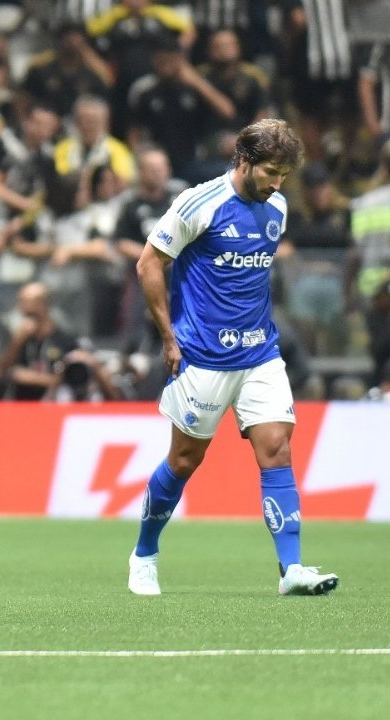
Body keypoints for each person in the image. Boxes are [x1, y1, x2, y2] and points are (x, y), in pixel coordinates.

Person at [127, 119, 339, 597]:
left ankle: (291, 569)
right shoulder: (199, 203)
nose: (278, 183)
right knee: (184, 461)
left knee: (277, 449)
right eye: (270, 171)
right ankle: (144, 554)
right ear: (244, 161)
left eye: (284, 174)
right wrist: (168, 336)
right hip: (202, 356)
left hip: (260, 353)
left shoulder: (277, 207)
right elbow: (149, 263)